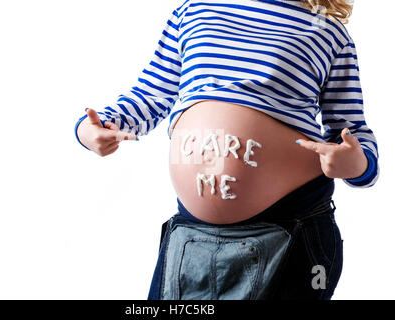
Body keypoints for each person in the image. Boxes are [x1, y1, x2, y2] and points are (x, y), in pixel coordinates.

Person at [74, 0, 379, 300]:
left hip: (293, 224)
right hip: (193, 232)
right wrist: (92, 128)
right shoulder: (194, 9)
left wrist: (357, 165)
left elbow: (352, 130)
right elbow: (150, 94)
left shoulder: (328, 31)